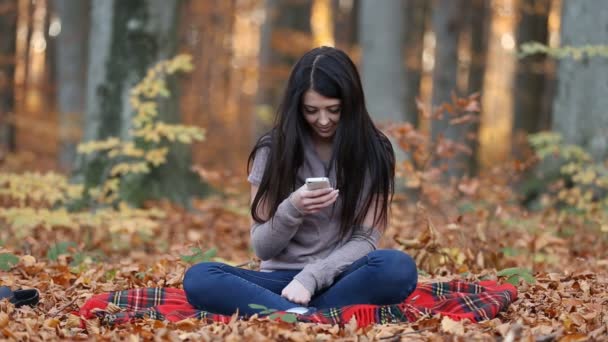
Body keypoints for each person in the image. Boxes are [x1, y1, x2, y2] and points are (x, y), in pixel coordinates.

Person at [183, 46, 417, 316]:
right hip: (278, 283)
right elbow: (262, 247)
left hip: (340, 276)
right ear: (297, 107)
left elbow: (365, 239)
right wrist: (293, 207)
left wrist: (312, 277)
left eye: (334, 109)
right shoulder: (272, 150)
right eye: (311, 110)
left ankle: (289, 313)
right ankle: (308, 314)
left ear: (351, 104)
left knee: (397, 267)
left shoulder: (375, 151)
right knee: (200, 277)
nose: (324, 120)